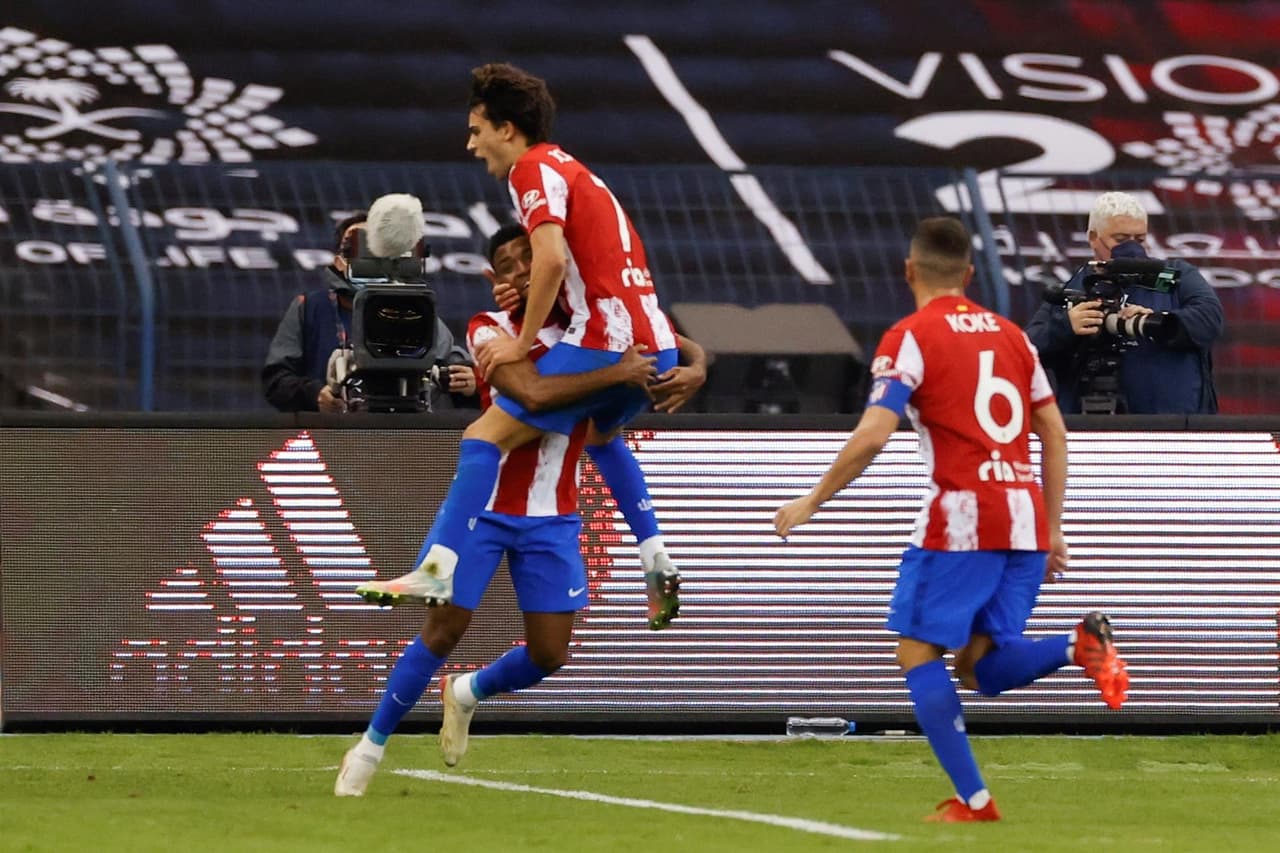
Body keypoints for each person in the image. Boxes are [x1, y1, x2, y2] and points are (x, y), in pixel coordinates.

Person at [773, 217, 1129, 823]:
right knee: (978, 667)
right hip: (1022, 519)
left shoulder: (909, 336)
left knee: (916, 653)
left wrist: (812, 500)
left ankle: (976, 800)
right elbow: (1054, 433)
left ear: (908, 271)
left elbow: (875, 431)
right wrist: (1054, 527)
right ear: (968, 275)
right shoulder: (1015, 337)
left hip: (962, 518)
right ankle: (1079, 645)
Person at [334, 228, 678, 797]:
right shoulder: (488, 329)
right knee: (444, 628)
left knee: (550, 653)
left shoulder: (590, 332)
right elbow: (535, 390)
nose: (520, 272)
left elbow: (611, 437)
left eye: (530, 261)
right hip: (487, 512)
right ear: (495, 279)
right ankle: (369, 746)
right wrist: (619, 372)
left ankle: (466, 692)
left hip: (553, 517)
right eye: (508, 265)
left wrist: (696, 361)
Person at [370, 63, 683, 624]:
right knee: (602, 435)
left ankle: (436, 564)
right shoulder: (574, 168)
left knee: (483, 434)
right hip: (654, 341)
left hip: (606, 340)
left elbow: (553, 258)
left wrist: (518, 344)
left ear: (507, 129)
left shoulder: (531, 169)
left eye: (476, 130)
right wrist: (695, 360)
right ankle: (653, 552)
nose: (471, 145)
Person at [1024, 191, 1224, 414]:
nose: (1132, 249)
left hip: (1172, 430)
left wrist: (1155, 321)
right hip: (1091, 429)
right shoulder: (1077, 286)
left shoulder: (1172, 276)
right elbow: (1026, 348)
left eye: (1139, 239)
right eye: (1119, 240)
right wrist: (1065, 326)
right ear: (1093, 237)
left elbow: (1210, 319)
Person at [261, 212, 477, 412]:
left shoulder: (414, 307)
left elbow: (458, 370)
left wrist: (470, 383)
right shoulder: (309, 307)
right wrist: (315, 395)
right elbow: (276, 381)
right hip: (331, 435)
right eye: (361, 248)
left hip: (404, 435)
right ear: (340, 261)